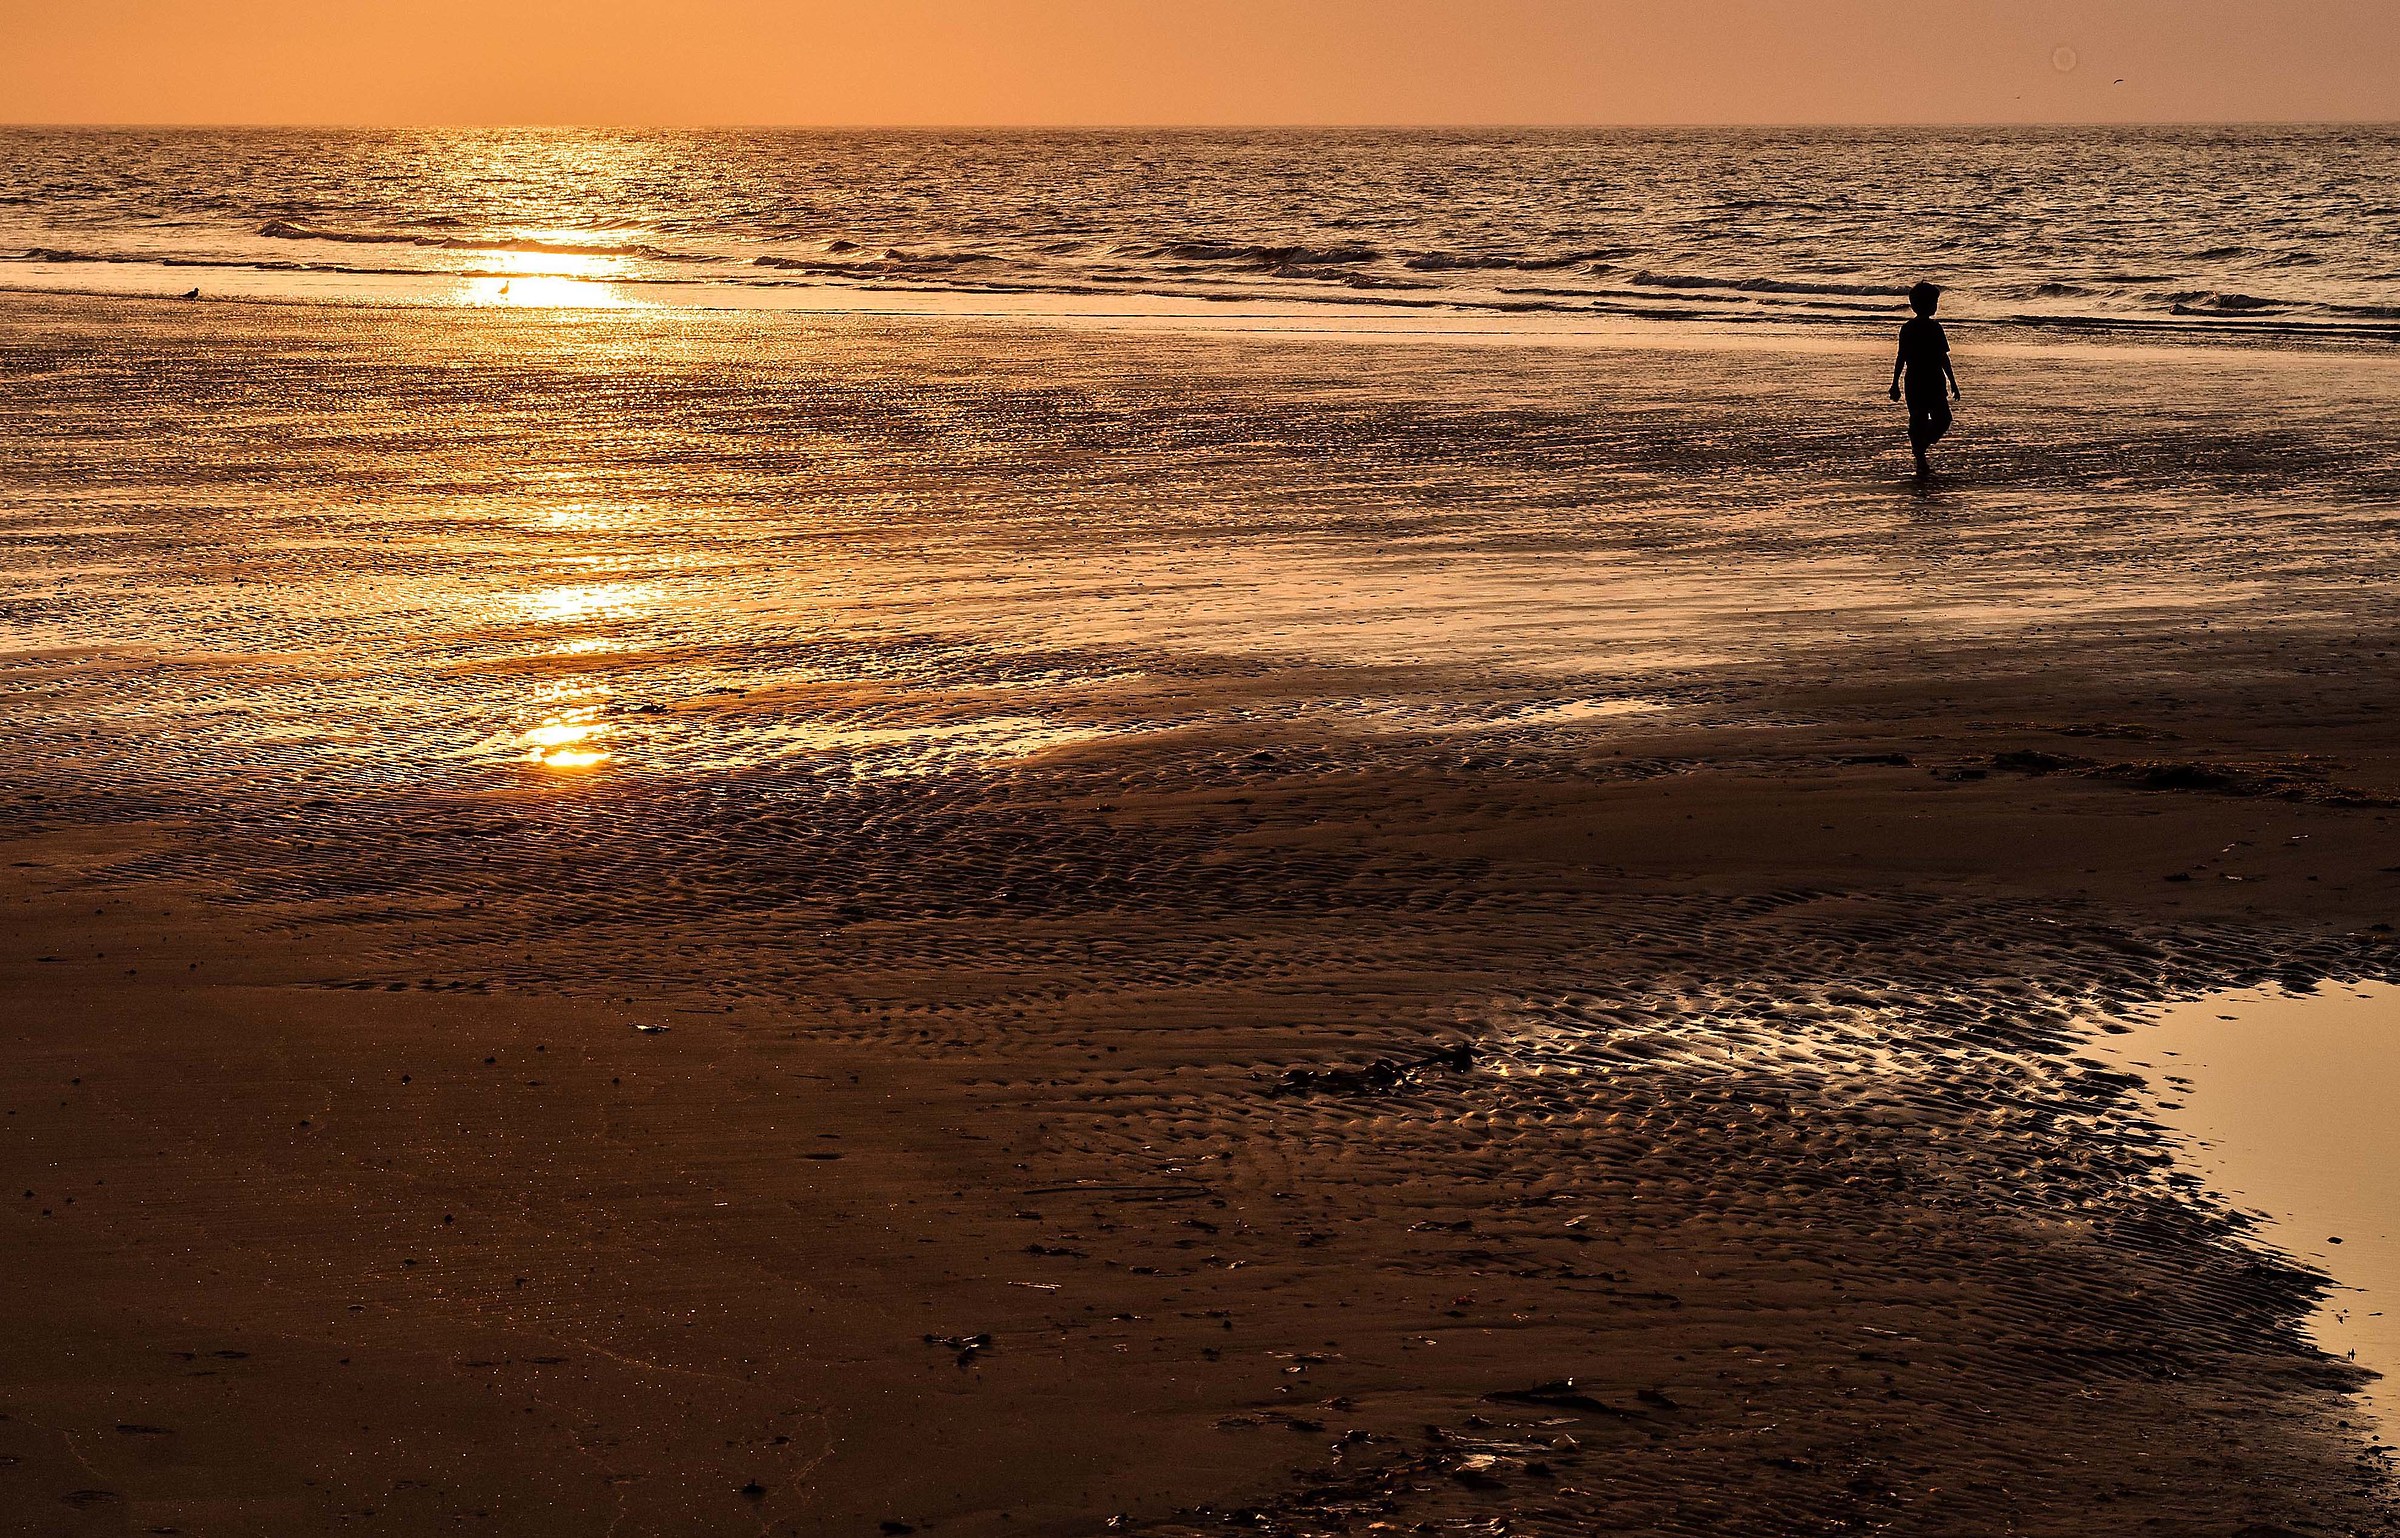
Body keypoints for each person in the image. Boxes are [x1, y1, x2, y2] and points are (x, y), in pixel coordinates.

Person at [1889, 281, 1961, 475]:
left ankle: (1920, 444)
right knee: (1922, 418)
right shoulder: (1918, 329)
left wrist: (1953, 382)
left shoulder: (1929, 328)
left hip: (1928, 381)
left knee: (1941, 419)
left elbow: (1942, 357)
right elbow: (1902, 356)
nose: (1935, 306)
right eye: (1933, 302)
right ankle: (1920, 455)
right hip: (1921, 380)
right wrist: (1894, 383)